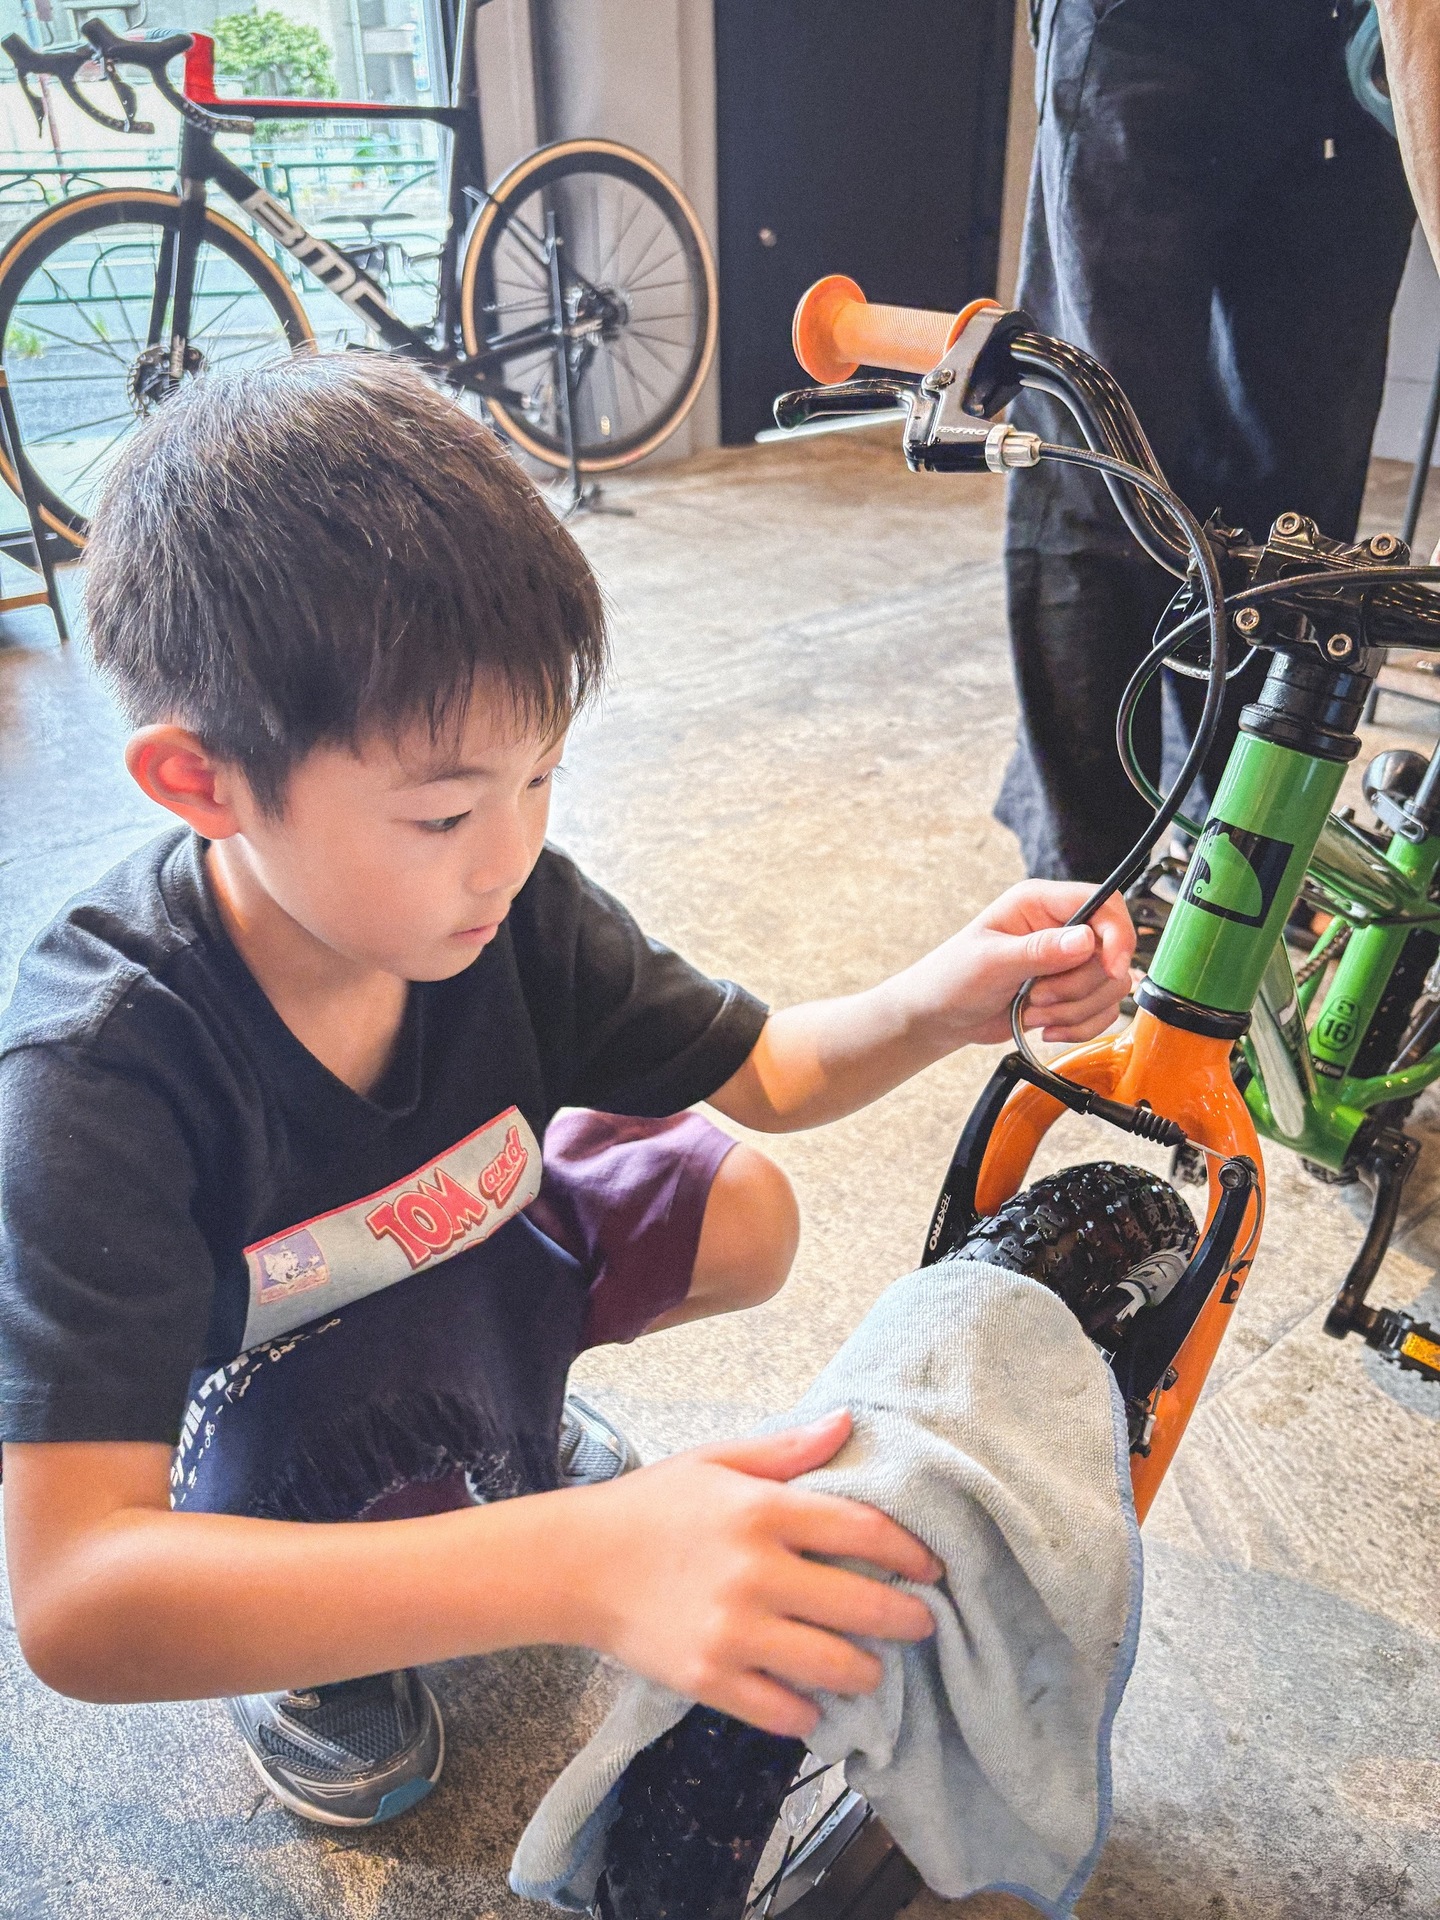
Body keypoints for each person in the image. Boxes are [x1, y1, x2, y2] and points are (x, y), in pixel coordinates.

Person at [0, 355, 1135, 1829]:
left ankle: (504, 1429)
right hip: (265, 1368)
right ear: (202, 783)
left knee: (740, 1208)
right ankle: (339, 1606)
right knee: (338, 1466)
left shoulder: (507, 911)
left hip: (447, 1233)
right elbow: (77, 1596)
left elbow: (768, 1071)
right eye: (445, 812)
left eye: (540, 778)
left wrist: (939, 1003)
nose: (510, 852)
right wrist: (580, 1565)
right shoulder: (104, 1067)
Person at [996, 0, 1418, 882]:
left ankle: (1241, 843)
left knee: (1295, 516)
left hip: (1350, 45)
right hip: (1141, 25)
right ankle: (1084, 881)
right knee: (1099, 465)